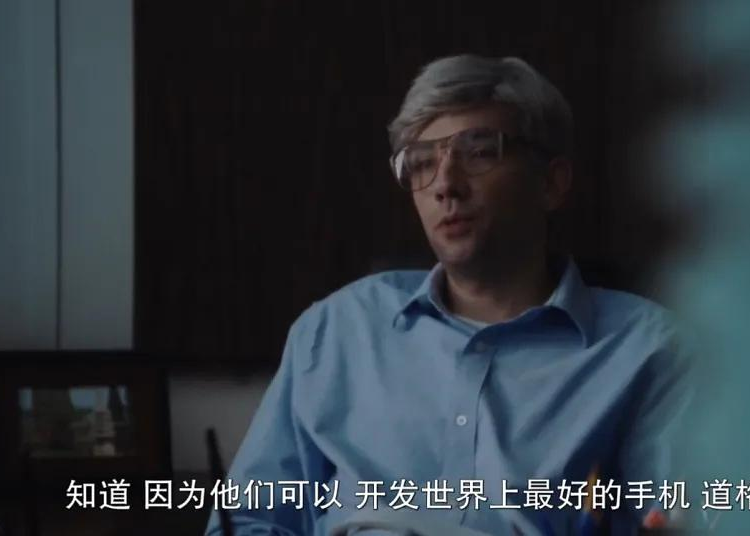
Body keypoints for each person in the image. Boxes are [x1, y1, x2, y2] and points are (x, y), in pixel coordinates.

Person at [206, 54, 692, 536]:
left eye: (478, 152)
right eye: (421, 163)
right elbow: (250, 521)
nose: (445, 185)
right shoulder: (334, 331)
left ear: (550, 182)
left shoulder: (648, 350)